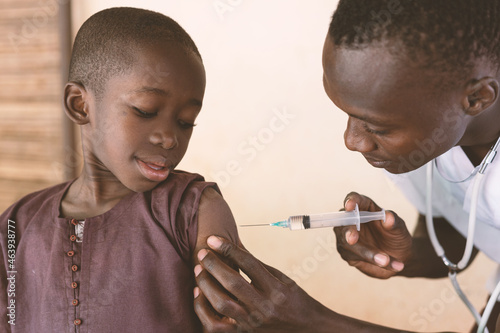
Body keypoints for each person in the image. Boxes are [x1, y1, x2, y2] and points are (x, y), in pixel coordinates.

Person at [192, 0, 500, 332]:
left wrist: (312, 322)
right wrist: (407, 257)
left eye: (378, 127)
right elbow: (458, 234)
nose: (352, 140)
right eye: (347, 112)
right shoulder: (426, 140)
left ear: (477, 98)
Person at [0, 7, 240, 332]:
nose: (169, 138)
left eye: (185, 122)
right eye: (145, 111)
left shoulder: (193, 211)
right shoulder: (17, 225)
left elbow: (229, 317)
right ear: (80, 105)